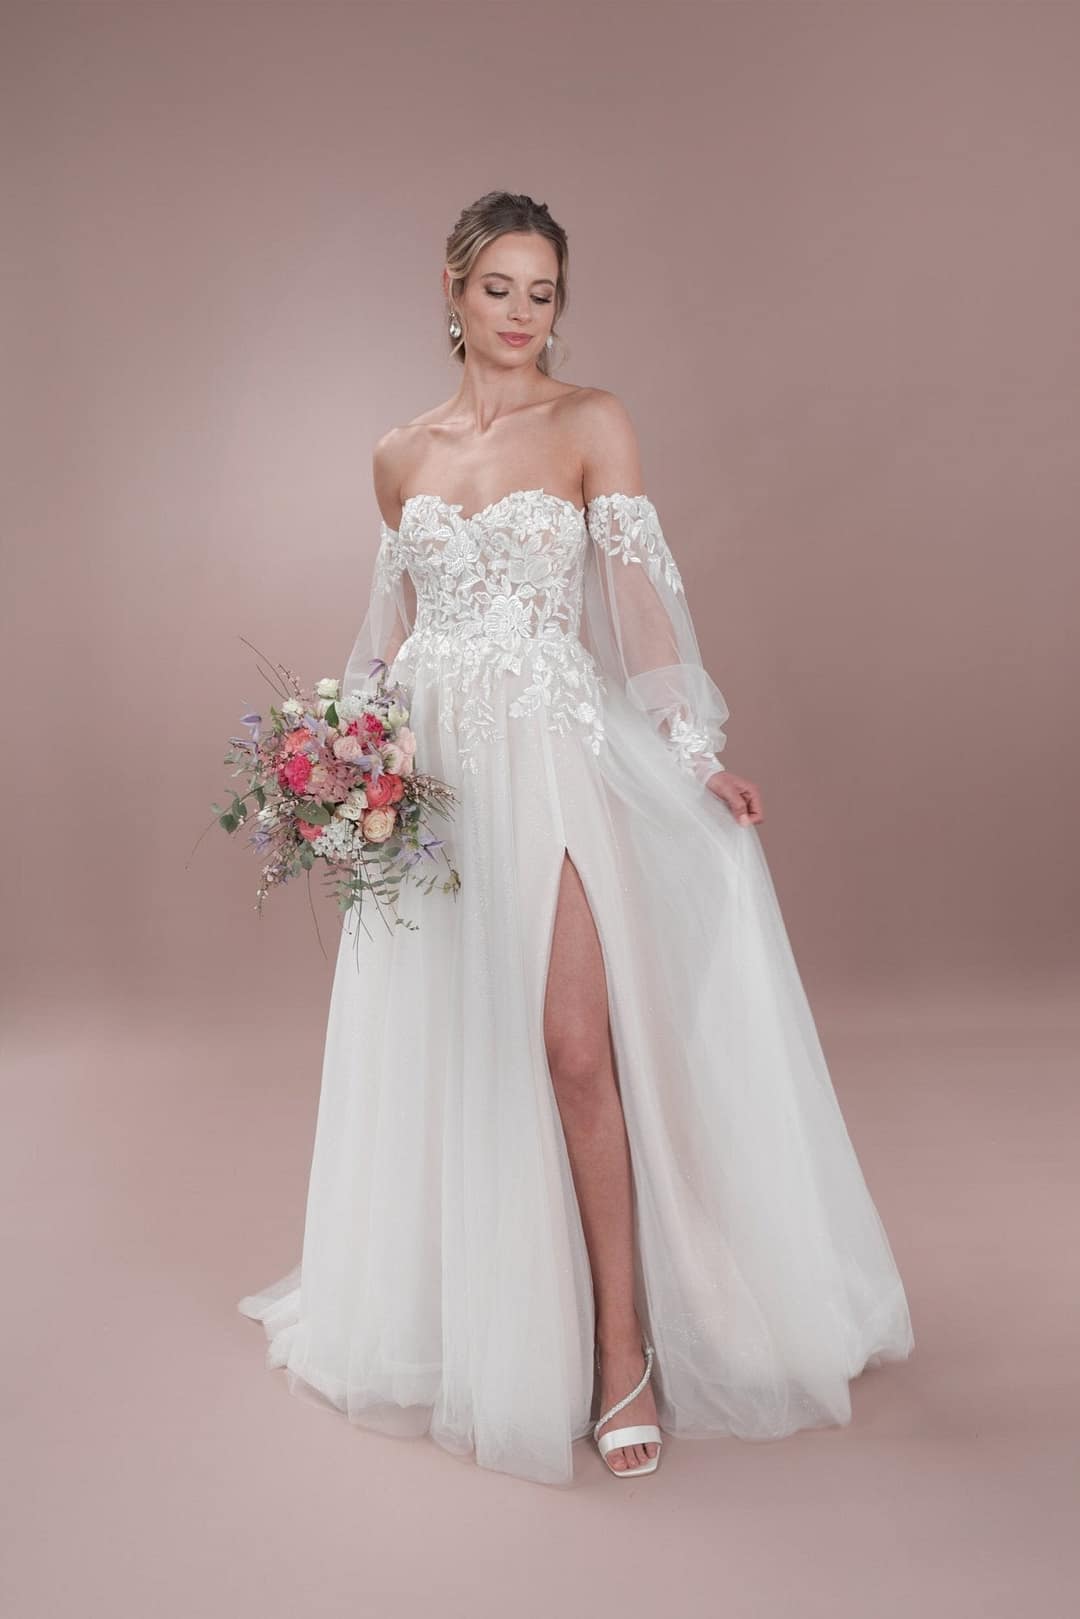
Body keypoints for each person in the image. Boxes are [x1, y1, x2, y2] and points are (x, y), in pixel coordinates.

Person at [238, 190, 914, 1486]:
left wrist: (695, 755)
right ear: (452, 291)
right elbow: (385, 636)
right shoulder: (399, 454)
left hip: (548, 756)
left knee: (574, 1050)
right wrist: (341, 755)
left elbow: (637, 604)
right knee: (458, 1049)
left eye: (542, 292)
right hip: (435, 782)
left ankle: (622, 1351)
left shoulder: (591, 422)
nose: (521, 313)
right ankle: (490, 1331)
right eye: (498, 287)